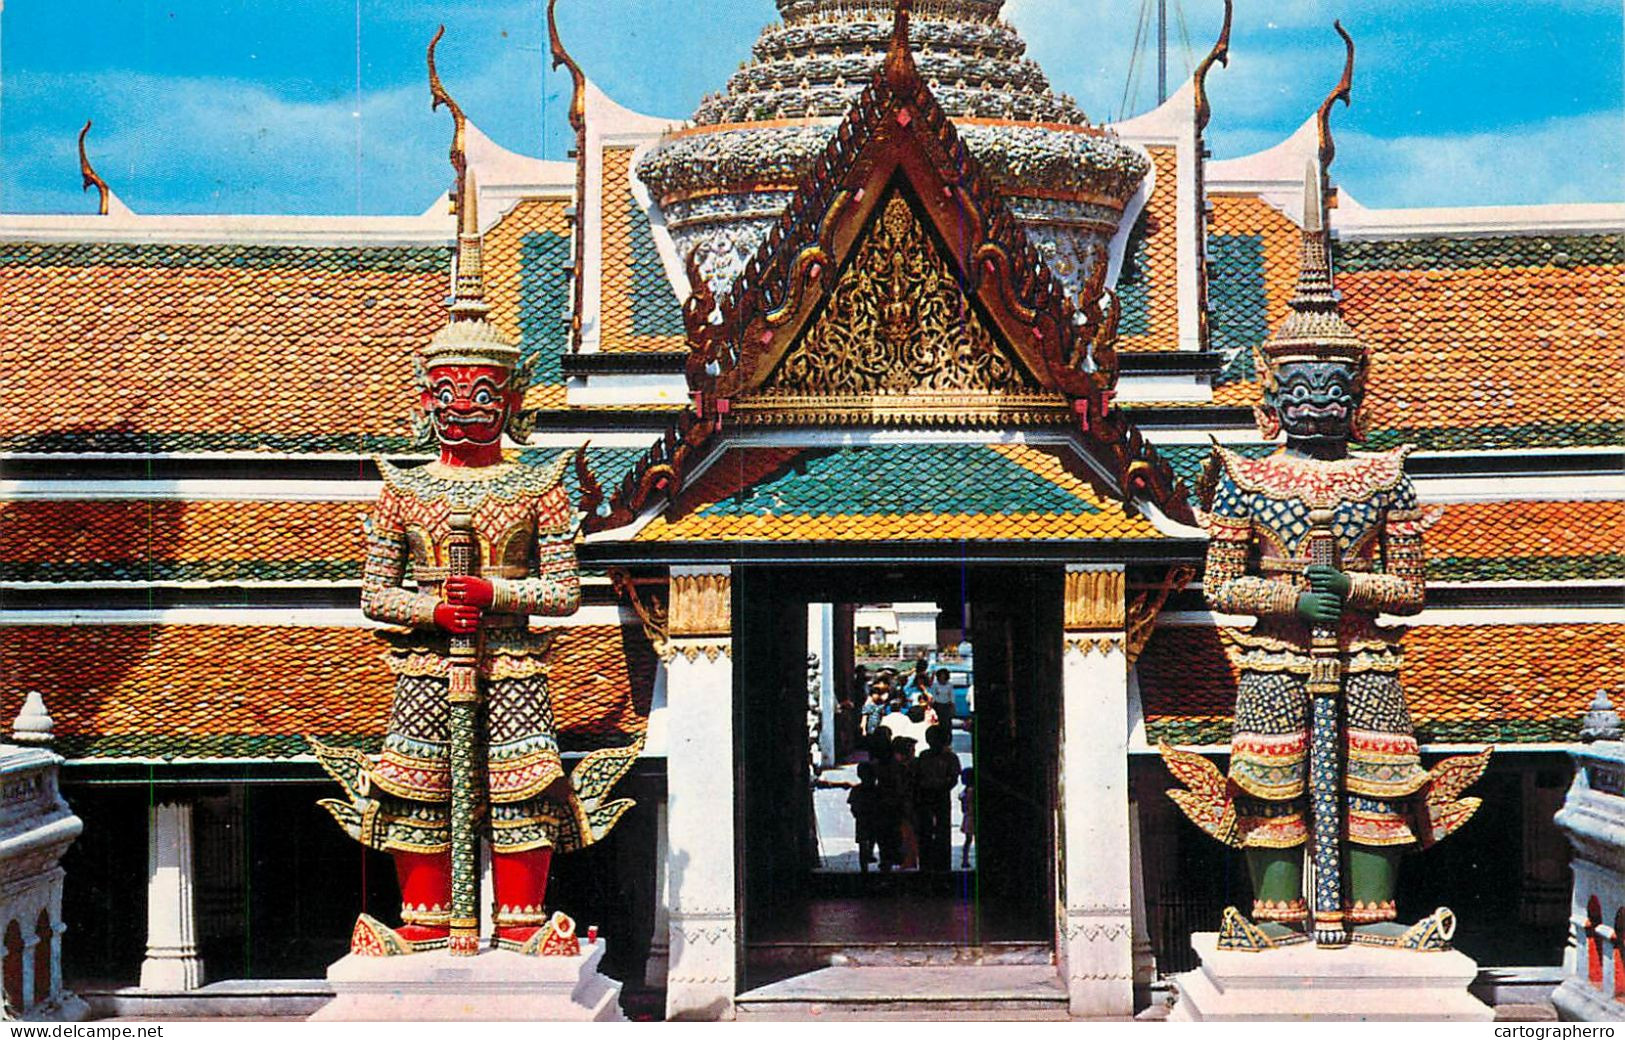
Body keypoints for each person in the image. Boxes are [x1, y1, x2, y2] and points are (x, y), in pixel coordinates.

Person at [1160, 163, 1485, 951]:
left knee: (1377, 781)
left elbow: (1408, 589)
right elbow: (1220, 584)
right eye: (1301, 388)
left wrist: (1348, 585)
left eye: (1334, 388)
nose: (1318, 404)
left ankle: (1369, 918)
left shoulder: (1383, 476)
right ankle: (1276, 917)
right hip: (1276, 658)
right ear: (1272, 392)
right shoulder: (1243, 476)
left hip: (1365, 654)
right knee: (1272, 786)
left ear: (1358, 393)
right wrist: (1292, 601)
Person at [312, 178, 636, 956]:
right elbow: (373, 593)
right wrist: (433, 611)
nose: (464, 405)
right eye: (449, 391)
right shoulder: (404, 489)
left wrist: (493, 591)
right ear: (425, 396)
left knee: (524, 791)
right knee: (419, 790)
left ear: (512, 393)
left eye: (483, 390)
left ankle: (520, 922)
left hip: (516, 663)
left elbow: (561, 591)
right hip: (427, 667)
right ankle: (426, 923)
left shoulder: (540, 485)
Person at [915, 725, 961, 871]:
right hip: (929, 796)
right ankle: (928, 863)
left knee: (941, 830)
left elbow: (953, 778)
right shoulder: (926, 756)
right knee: (927, 831)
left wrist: (940, 786)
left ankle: (941, 863)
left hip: (939, 796)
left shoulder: (949, 757)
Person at [847, 762, 882, 873]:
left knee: (863, 841)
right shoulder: (878, 791)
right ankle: (871, 855)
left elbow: (852, 804)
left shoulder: (857, 790)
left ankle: (864, 866)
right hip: (874, 818)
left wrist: (856, 813)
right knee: (874, 839)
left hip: (862, 818)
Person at [959, 767, 976, 869]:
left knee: (968, 840)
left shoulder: (964, 791)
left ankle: (965, 860)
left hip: (968, 817)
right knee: (970, 839)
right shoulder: (971, 790)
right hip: (972, 816)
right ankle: (965, 860)